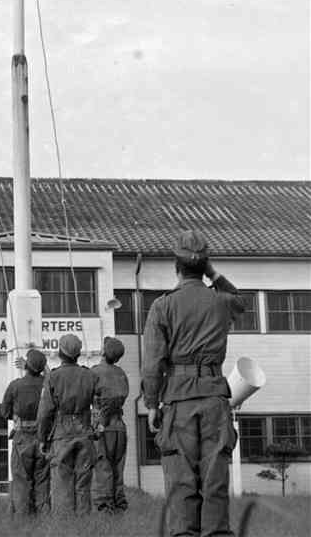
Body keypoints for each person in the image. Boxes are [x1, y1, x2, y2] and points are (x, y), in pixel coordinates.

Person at [142, 229, 245, 537]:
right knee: (214, 479)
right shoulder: (222, 301)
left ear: (176, 267)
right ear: (204, 266)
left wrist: (151, 404)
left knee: (181, 479)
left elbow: (153, 362)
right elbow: (241, 300)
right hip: (214, 398)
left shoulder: (163, 306)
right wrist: (211, 272)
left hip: (179, 400)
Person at [36, 333, 96, 515]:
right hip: (85, 432)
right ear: (78, 354)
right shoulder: (89, 375)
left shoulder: (53, 377)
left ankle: (65, 529)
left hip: (61, 435)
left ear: (60, 352)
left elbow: (45, 412)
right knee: (83, 484)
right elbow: (100, 404)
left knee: (62, 485)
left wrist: (42, 439)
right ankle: (84, 529)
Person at [1, 348, 50, 515]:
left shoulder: (15, 386)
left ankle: (23, 522)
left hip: (22, 438)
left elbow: (5, 412)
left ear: (26, 367)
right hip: (44, 438)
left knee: (21, 481)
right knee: (42, 482)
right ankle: (44, 522)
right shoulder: (48, 385)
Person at [90, 336, 130, 512]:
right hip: (120, 427)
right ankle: (120, 506)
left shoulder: (95, 372)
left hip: (102, 427)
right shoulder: (121, 374)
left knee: (103, 467)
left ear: (104, 352)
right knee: (117, 469)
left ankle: (105, 508)